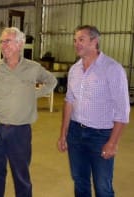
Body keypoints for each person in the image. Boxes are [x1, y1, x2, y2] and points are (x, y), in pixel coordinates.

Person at [0, 27, 57, 197]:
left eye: (8, 41)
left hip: (20, 131)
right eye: (2, 41)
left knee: (21, 175)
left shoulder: (33, 68)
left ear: (20, 44)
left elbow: (51, 81)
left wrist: (34, 94)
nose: (3, 45)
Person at [57, 25, 130, 197]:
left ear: (94, 41)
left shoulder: (112, 69)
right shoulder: (74, 70)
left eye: (81, 39)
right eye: (75, 40)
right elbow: (69, 101)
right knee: (80, 181)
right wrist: (63, 134)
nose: (76, 44)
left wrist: (112, 142)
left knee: (103, 186)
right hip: (75, 133)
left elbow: (123, 110)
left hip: (100, 135)